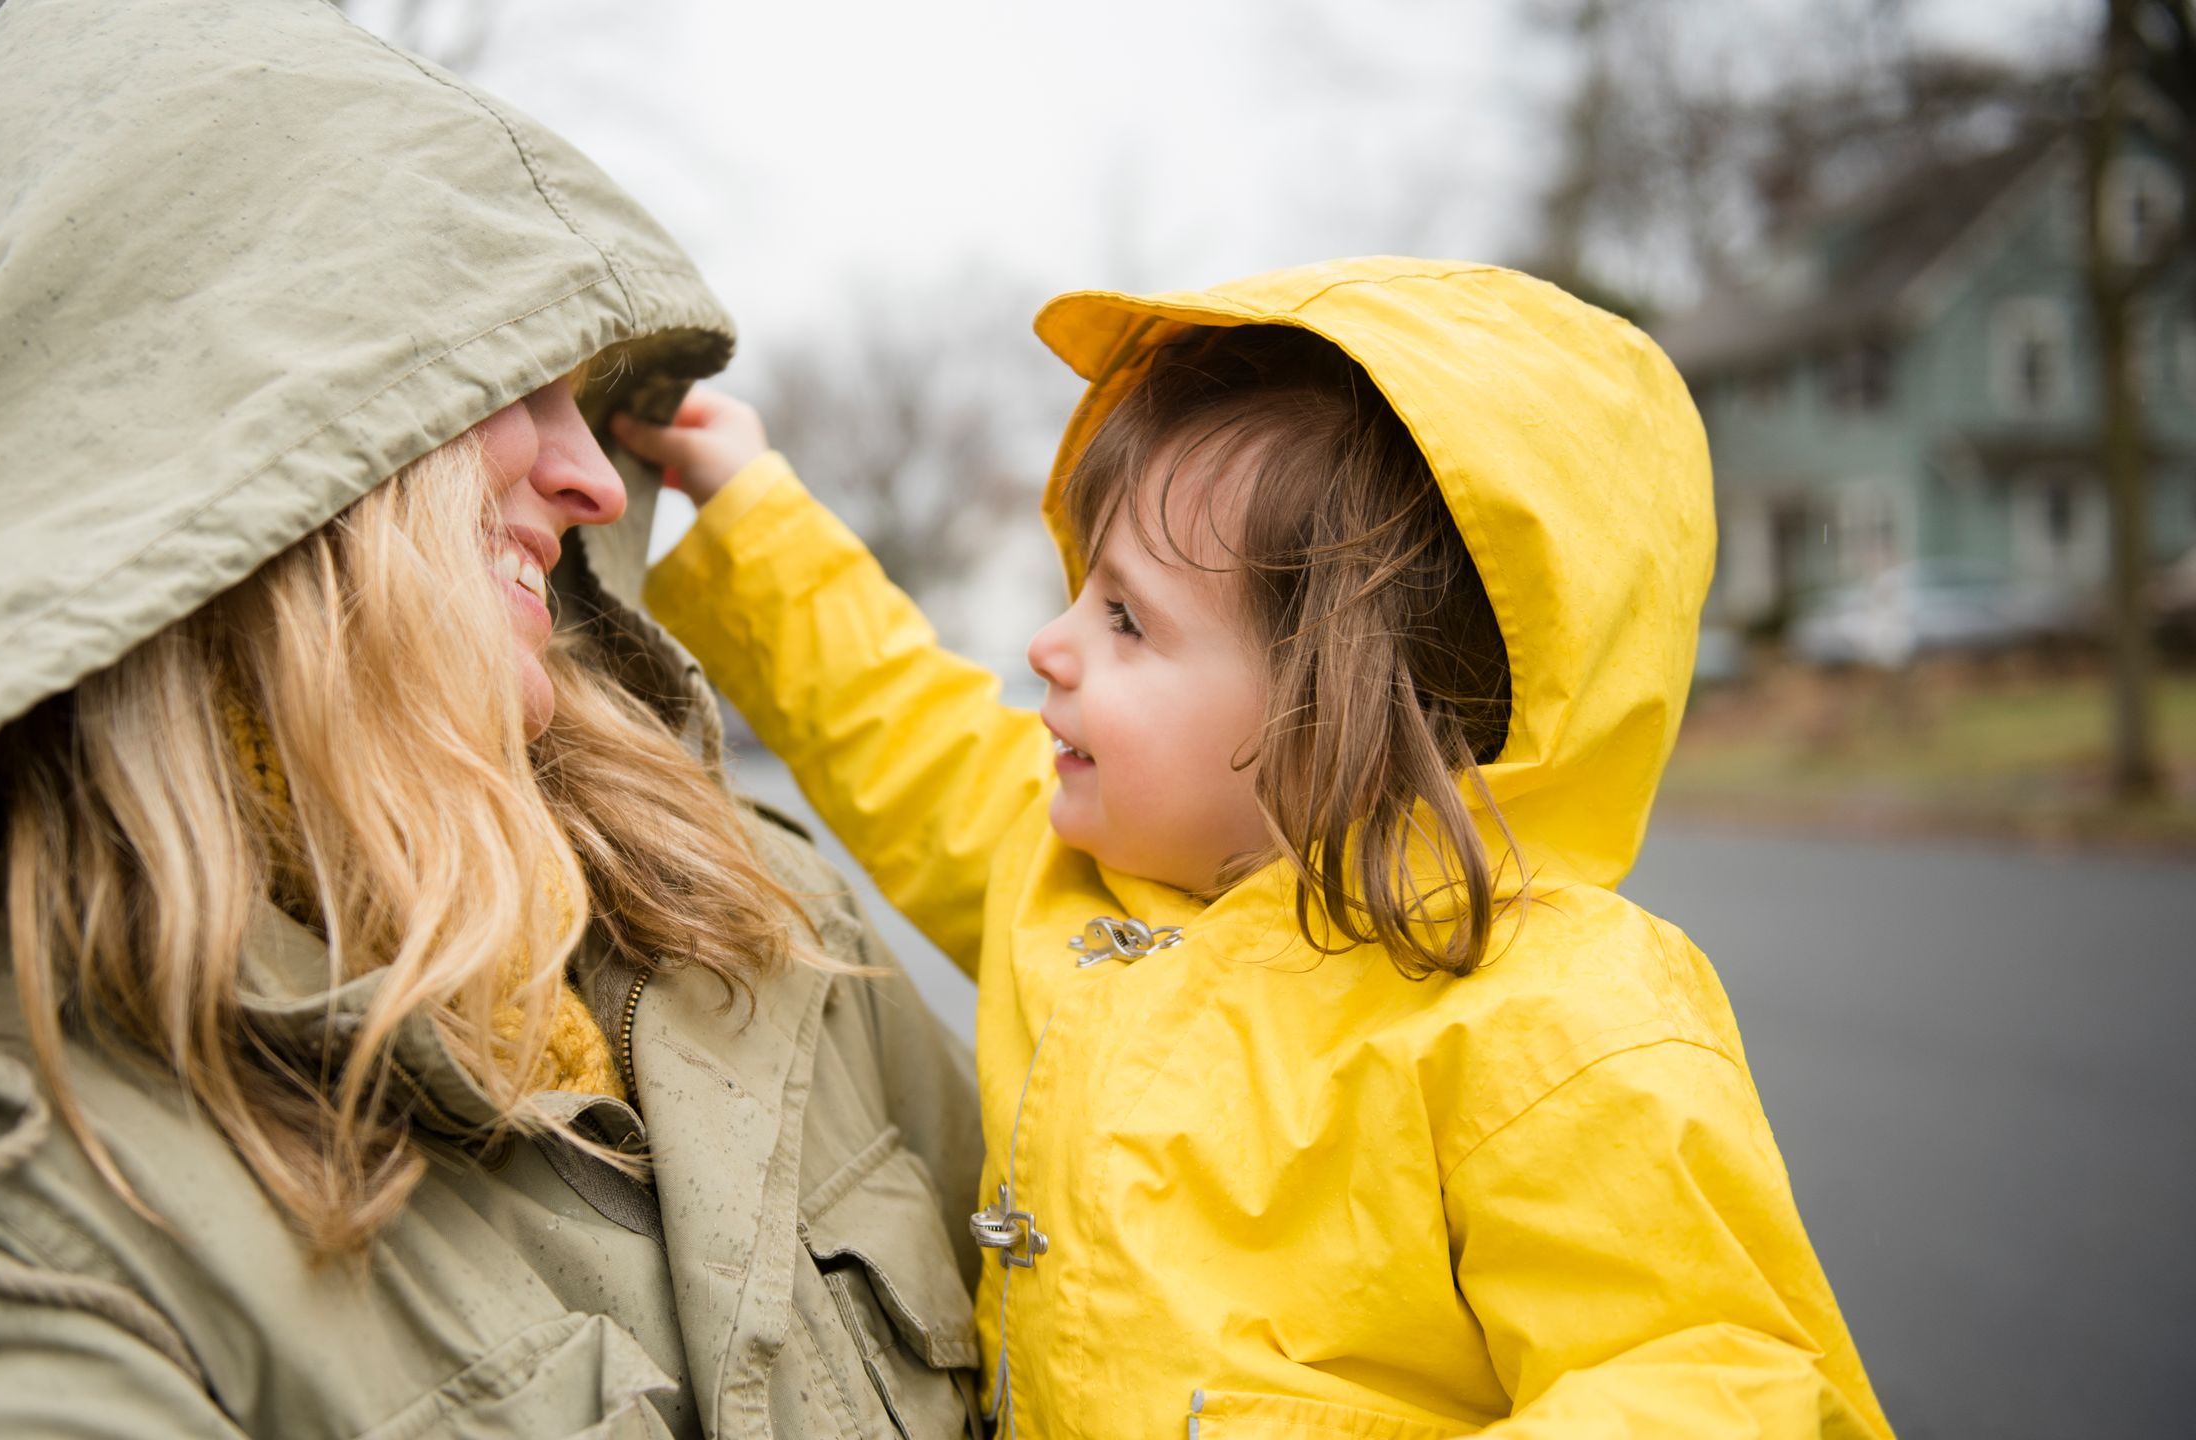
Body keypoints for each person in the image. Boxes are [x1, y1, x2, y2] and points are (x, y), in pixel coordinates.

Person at [0, 1, 987, 1435]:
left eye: (586, 395)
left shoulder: (756, 912)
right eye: (500, 377)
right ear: (227, 424)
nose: (595, 478)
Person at [620, 260, 1896, 1438]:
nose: (1048, 649)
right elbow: (900, 725)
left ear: (1335, 706)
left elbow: (1707, 1379)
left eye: (1125, 618)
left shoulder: (1545, 1015)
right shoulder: (1071, 867)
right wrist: (748, 510)